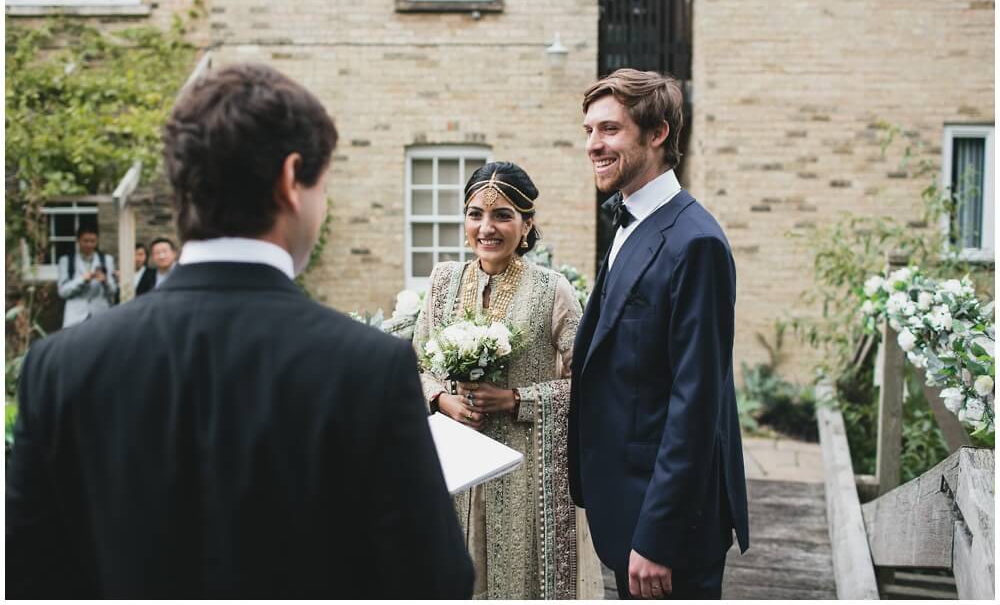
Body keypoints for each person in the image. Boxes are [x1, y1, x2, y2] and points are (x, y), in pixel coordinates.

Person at [6, 63, 473, 598]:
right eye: (323, 186)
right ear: (290, 180)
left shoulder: (61, 365)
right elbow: (433, 581)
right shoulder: (370, 366)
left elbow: (27, 576)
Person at [568, 69, 750, 599]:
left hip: (669, 529)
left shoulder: (696, 243)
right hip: (624, 503)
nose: (592, 145)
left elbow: (697, 403)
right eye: (588, 131)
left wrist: (658, 537)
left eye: (609, 130)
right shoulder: (633, 221)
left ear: (657, 134)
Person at [413, 161, 604, 600]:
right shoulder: (443, 281)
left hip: (524, 474)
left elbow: (591, 384)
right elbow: (416, 365)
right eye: (476, 214)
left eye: (503, 215)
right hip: (453, 468)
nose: (487, 228)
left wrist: (517, 400)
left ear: (526, 224)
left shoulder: (552, 290)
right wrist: (442, 399)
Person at [56, 223, 118, 328]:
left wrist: (105, 281)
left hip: (101, 316)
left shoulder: (107, 260)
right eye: (85, 241)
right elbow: (62, 292)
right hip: (75, 318)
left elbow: (113, 291)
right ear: (78, 240)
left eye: (93, 241)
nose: (89, 245)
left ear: (97, 241)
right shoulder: (66, 261)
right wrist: (82, 279)